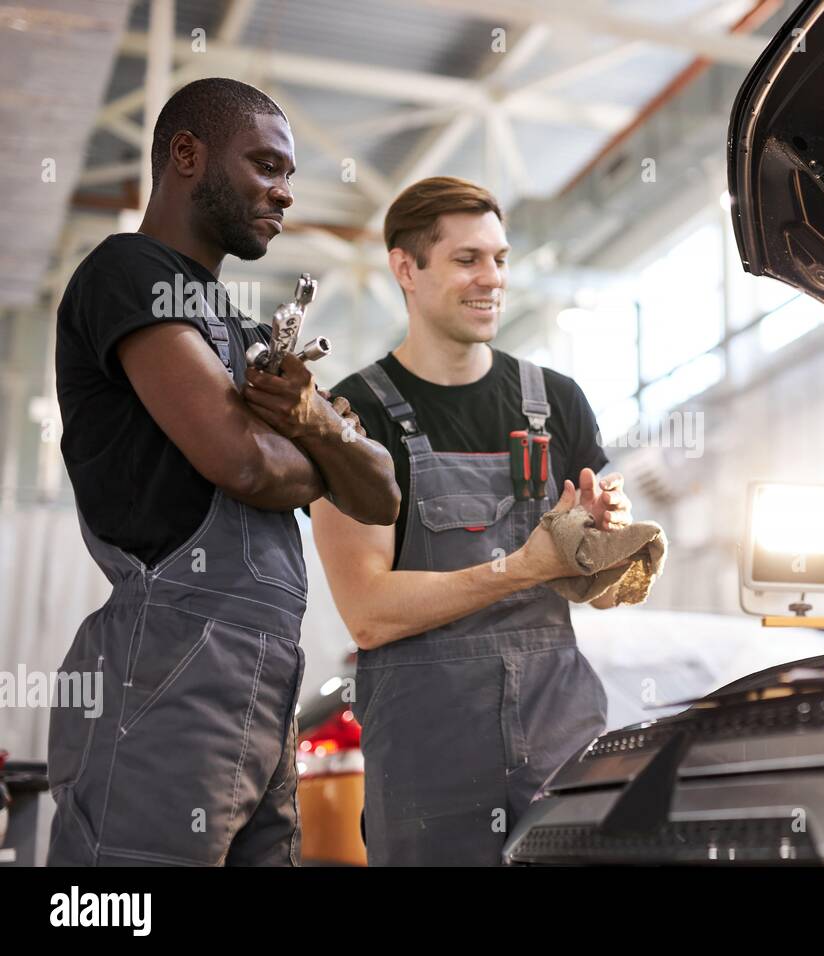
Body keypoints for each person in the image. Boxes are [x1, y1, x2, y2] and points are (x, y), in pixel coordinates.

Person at [48, 77, 400, 866]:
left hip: (266, 675)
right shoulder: (128, 271)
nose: (284, 194)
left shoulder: (244, 333)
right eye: (267, 167)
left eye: (291, 177)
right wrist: (320, 452)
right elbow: (240, 460)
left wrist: (307, 426)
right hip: (166, 660)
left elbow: (379, 495)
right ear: (186, 155)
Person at [311, 176, 634, 865]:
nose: (492, 279)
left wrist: (606, 547)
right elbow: (367, 611)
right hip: (430, 765)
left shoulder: (558, 402)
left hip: (561, 740)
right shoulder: (353, 416)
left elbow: (603, 593)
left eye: (500, 259)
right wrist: (524, 568)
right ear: (406, 268)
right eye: (466, 260)